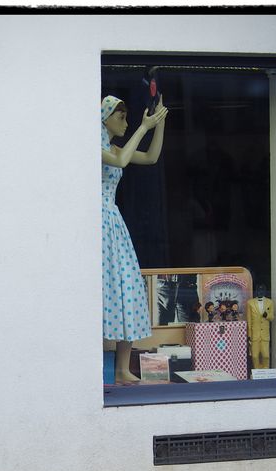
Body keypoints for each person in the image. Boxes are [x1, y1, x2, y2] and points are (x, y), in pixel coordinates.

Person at [101, 94, 168, 383]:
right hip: (96, 222)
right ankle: (107, 368)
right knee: (104, 288)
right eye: (121, 117)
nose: (125, 123)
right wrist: (143, 127)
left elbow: (151, 157)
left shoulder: (114, 146)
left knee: (126, 284)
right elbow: (122, 160)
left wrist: (159, 123)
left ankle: (121, 369)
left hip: (112, 222)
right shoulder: (93, 145)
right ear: (104, 118)